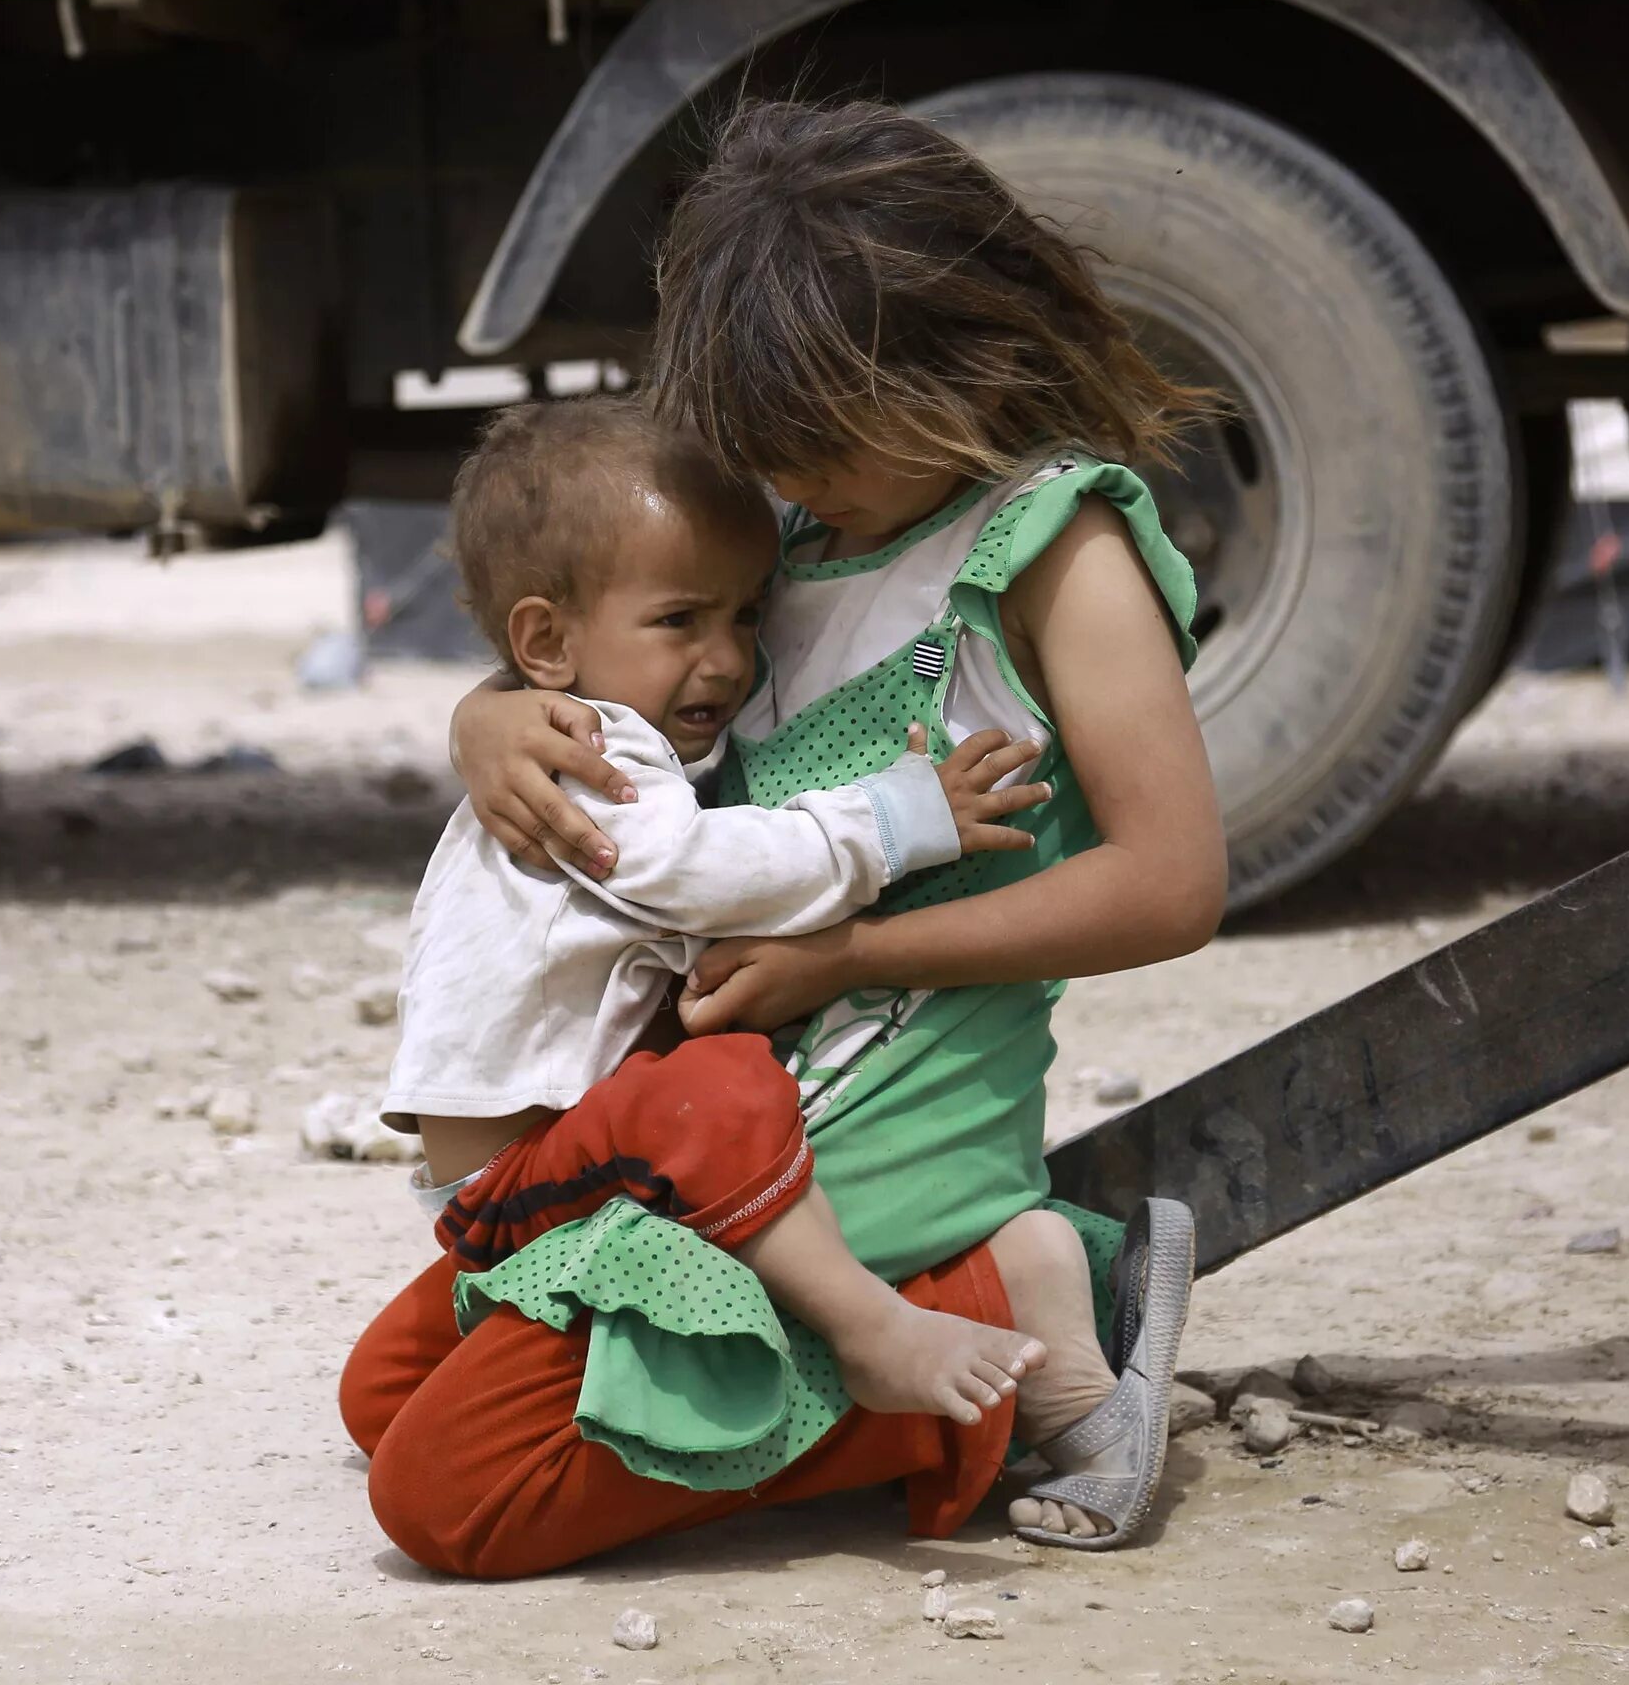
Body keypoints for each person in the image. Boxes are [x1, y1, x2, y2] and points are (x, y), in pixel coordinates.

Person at [345, 97, 1226, 1573]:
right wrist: (492, 717)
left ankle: (998, 1321)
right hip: (713, 1103)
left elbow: (1170, 883)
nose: (792, 479)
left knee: (452, 1497)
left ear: (953, 365)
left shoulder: (1056, 549)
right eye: (774, 447)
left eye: (819, 440)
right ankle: (992, 1290)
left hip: (884, 1103)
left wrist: (856, 948)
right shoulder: (798, 542)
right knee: (392, 1396)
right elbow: (621, 676)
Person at [379, 395, 1056, 1426]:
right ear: (545, 641)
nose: (730, 657)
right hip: (532, 1170)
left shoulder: (560, 729)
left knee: (387, 1397)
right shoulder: (595, 751)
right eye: (680, 619)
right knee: (718, 1085)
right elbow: (693, 867)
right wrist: (899, 818)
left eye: (745, 615)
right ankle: (871, 1328)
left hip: (499, 1189)